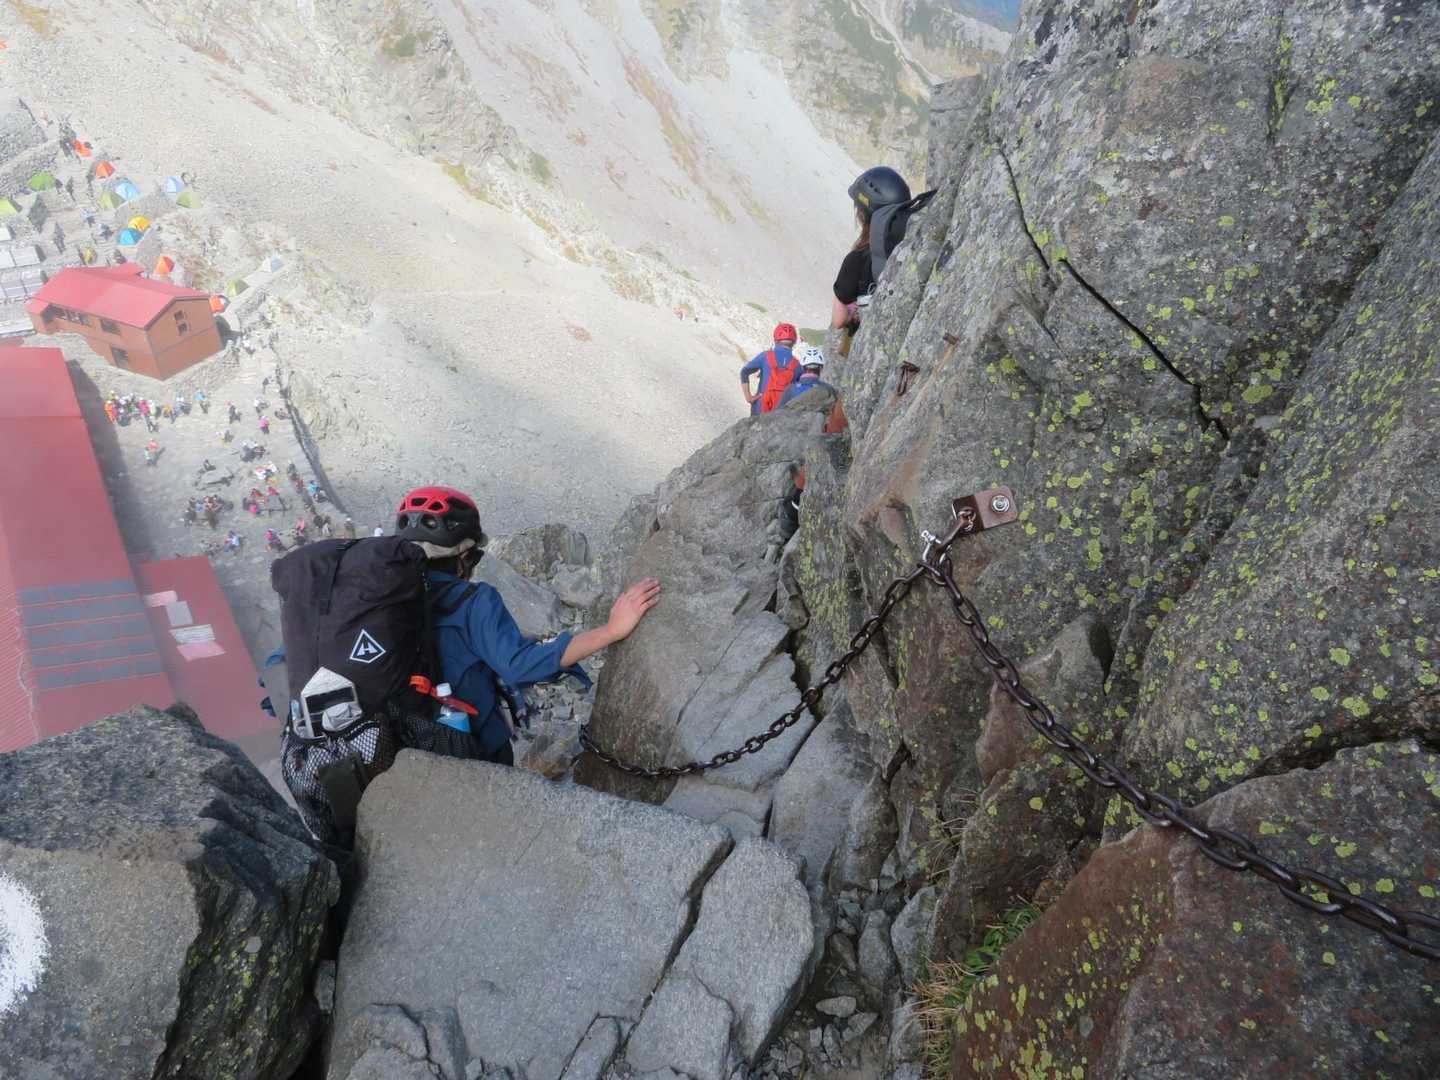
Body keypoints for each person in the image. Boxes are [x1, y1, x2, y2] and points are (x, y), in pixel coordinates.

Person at [393, 486, 660, 766]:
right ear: (464, 555)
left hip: (401, 741)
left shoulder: (383, 594)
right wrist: (611, 631)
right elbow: (519, 665)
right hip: (468, 749)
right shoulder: (473, 602)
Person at [831, 166, 913, 335]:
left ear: (862, 213)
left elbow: (838, 320)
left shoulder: (856, 258)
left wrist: (853, 314)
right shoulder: (911, 241)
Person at [779, 344, 849, 434]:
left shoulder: (790, 389)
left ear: (803, 367)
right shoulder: (829, 390)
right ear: (821, 368)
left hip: (793, 433)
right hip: (819, 435)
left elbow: (778, 413)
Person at [739, 323, 801, 416]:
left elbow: (744, 372)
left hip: (760, 409)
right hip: (781, 414)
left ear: (775, 340)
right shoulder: (797, 365)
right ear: (794, 342)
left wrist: (748, 397)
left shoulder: (765, 356)